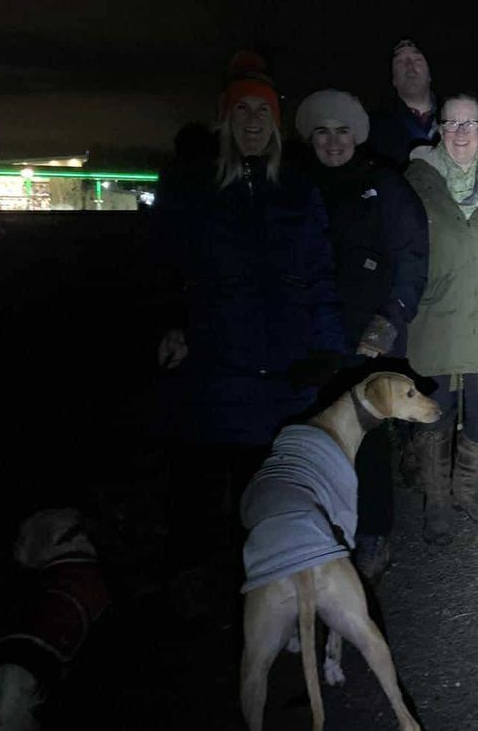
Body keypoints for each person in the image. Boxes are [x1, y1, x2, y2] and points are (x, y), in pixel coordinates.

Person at [152, 52, 346, 613]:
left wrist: (327, 349)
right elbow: (167, 264)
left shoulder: (298, 190)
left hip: (285, 369)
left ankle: (273, 592)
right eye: (243, 111)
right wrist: (171, 324)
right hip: (216, 365)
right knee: (206, 494)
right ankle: (205, 600)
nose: (254, 122)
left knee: (275, 489)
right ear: (226, 119)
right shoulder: (197, 189)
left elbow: (319, 274)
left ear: (277, 122)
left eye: (263, 111)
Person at [296, 88, 429, 582]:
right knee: (312, 438)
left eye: (343, 131)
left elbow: (413, 257)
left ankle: (375, 533)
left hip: (367, 335)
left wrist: (391, 317)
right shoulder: (296, 184)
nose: (333, 142)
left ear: (358, 135)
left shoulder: (384, 186)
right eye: (323, 132)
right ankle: (319, 532)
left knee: (366, 442)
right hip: (311, 336)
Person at [404, 95, 478, 545]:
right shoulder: (417, 179)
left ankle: (465, 491)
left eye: (469, 123)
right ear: (439, 128)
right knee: (434, 418)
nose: (460, 132)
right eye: (451, 123)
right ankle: (436, 502)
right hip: (435, 318)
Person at [368, 39, 439, 169]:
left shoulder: (458, 116)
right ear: (393, 79)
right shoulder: (373, 126)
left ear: (430, 74)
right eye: (399, 61)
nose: (409, 65)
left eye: (417, 59)